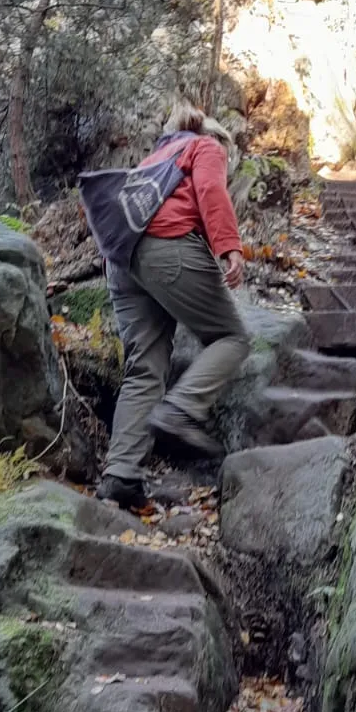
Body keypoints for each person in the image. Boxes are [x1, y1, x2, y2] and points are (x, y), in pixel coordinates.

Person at [88, 100, 249, 511]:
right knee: (231, 338)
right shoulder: (205, 146)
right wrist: (229, 246)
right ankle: (181, 410)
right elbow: (210, 190)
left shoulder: (155, 159)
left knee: (144, 366)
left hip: (120, 262)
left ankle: (121, 476)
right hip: (167, 247)